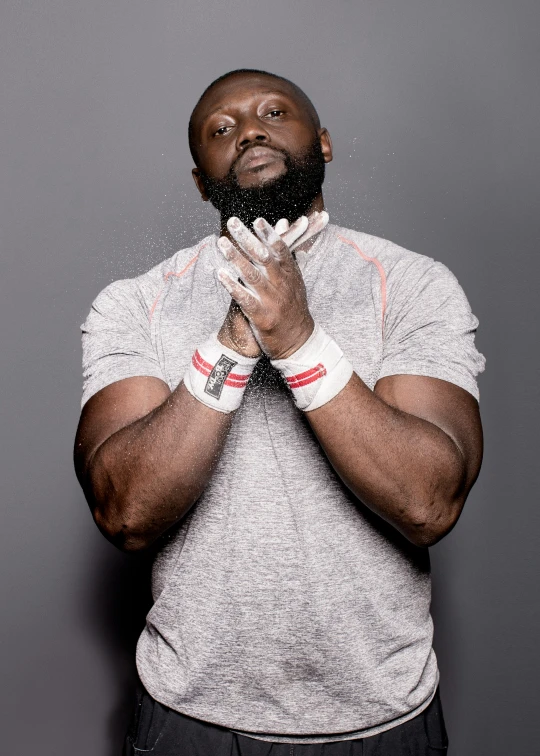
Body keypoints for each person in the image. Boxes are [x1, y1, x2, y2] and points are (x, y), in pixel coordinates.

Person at [74, 68, 485, 755]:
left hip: (382, 721)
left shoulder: (412, 284)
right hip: (190, 720)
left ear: (322, 143)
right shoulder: (135, 303)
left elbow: (427, 503)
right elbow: (127, 513)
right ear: (202, 181)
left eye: (273, 113)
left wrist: (297, 340)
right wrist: (236, 338)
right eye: (222, 129)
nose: (251, 131)